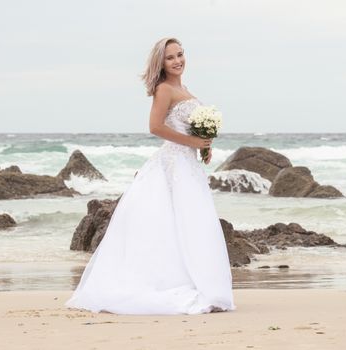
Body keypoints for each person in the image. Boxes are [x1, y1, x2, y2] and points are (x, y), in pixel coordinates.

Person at [65, 37, 236, 315]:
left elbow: (187, 129)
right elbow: (155, 127)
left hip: (189, 165)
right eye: (170, 57)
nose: (178, 60)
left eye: (180, 54)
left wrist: (204, 145)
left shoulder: (184, 88)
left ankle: (199, 281)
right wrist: (192, 143)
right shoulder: (164, 89)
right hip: (173, 165)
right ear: (161, 62)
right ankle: (175, 284)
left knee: (191, 221)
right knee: (173, 221)